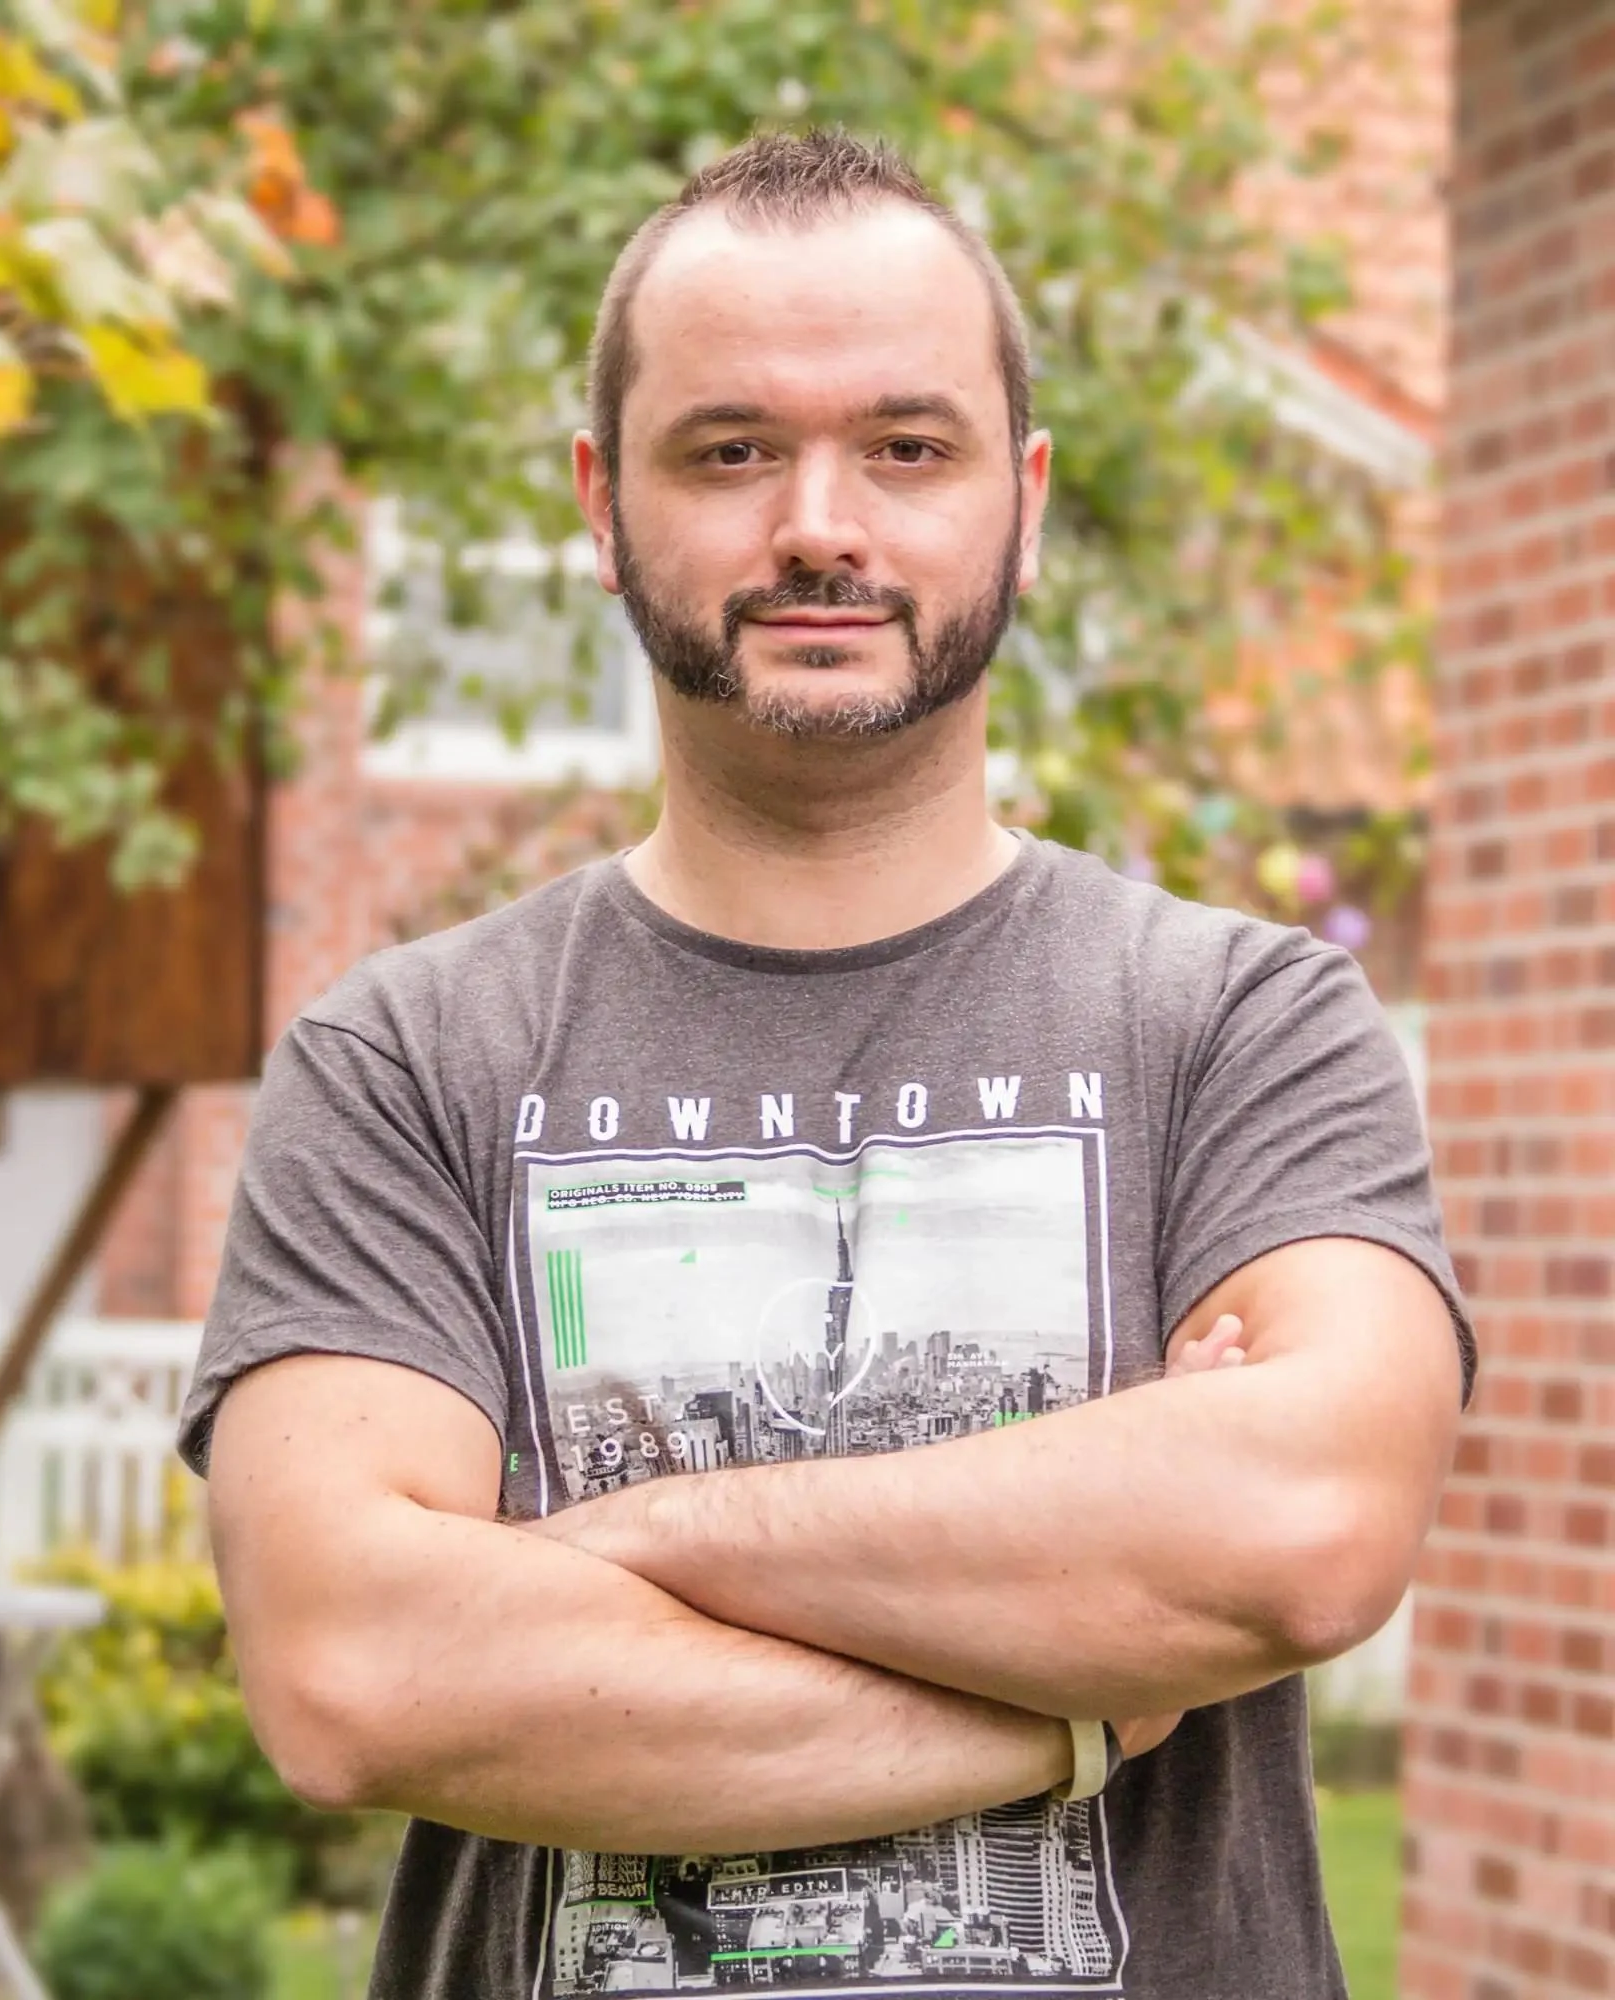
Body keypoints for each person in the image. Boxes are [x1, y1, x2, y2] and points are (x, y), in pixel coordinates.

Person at [182, 129, 1471, 2000]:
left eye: (908, 447)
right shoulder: (405, 1062)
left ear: (1024, 499)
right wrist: (1080, 1705)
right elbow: (356, 1673)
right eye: (729, 451)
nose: (819, 525)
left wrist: (623, 1546)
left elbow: (1300, 1536)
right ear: (600, 504)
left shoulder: (1241, 1025)